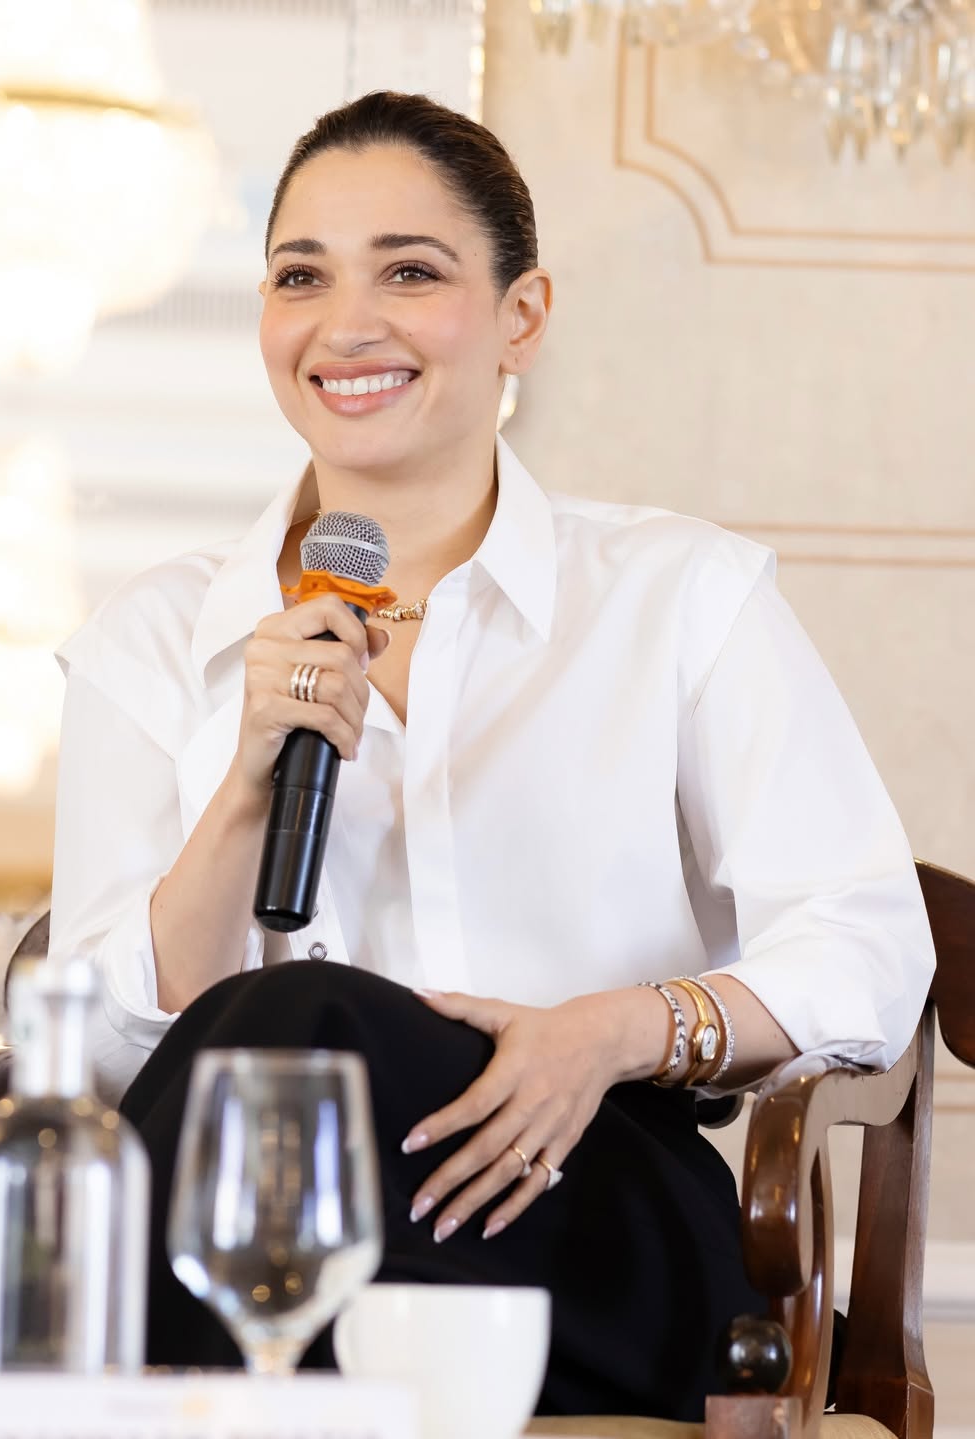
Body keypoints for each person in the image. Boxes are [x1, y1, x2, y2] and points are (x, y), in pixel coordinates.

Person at [48, 90, 935, 1418]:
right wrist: (245, 787)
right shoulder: (158, 636)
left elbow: (869, 945)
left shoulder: (678, 594)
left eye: (409, 271)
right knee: (282, 1050)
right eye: (301, 276)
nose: (348, 325)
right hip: (269, 1245)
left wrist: (612, 1032)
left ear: (522, 315)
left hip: (590, 1219)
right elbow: (96, 1060)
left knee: (296, 1025)